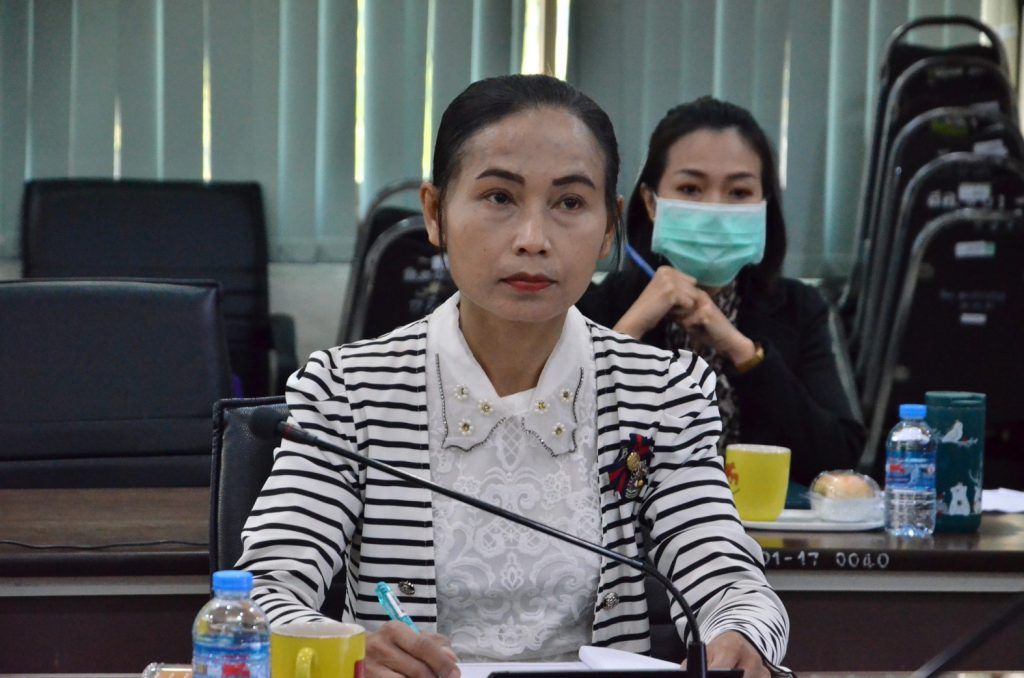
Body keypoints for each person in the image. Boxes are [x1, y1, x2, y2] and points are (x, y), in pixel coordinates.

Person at [237, 76, 789, 678]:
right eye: (499, 197)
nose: (533, 240)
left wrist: (740, 634)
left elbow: (727, 578)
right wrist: (345, 651)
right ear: (435, 213)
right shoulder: (347, 391)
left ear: (610, 227)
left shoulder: (663, 393)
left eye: (570, 203)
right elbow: (259, 596)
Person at [578, 97, 864, 486]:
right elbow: (560, 442)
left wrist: (741, 351)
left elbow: (838, 461)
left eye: (739, 193)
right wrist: (631, 329)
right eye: (691, 188)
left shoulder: (799, 308)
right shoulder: (597, 304)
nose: (714, 209)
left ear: (763, 205)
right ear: (651, 202)